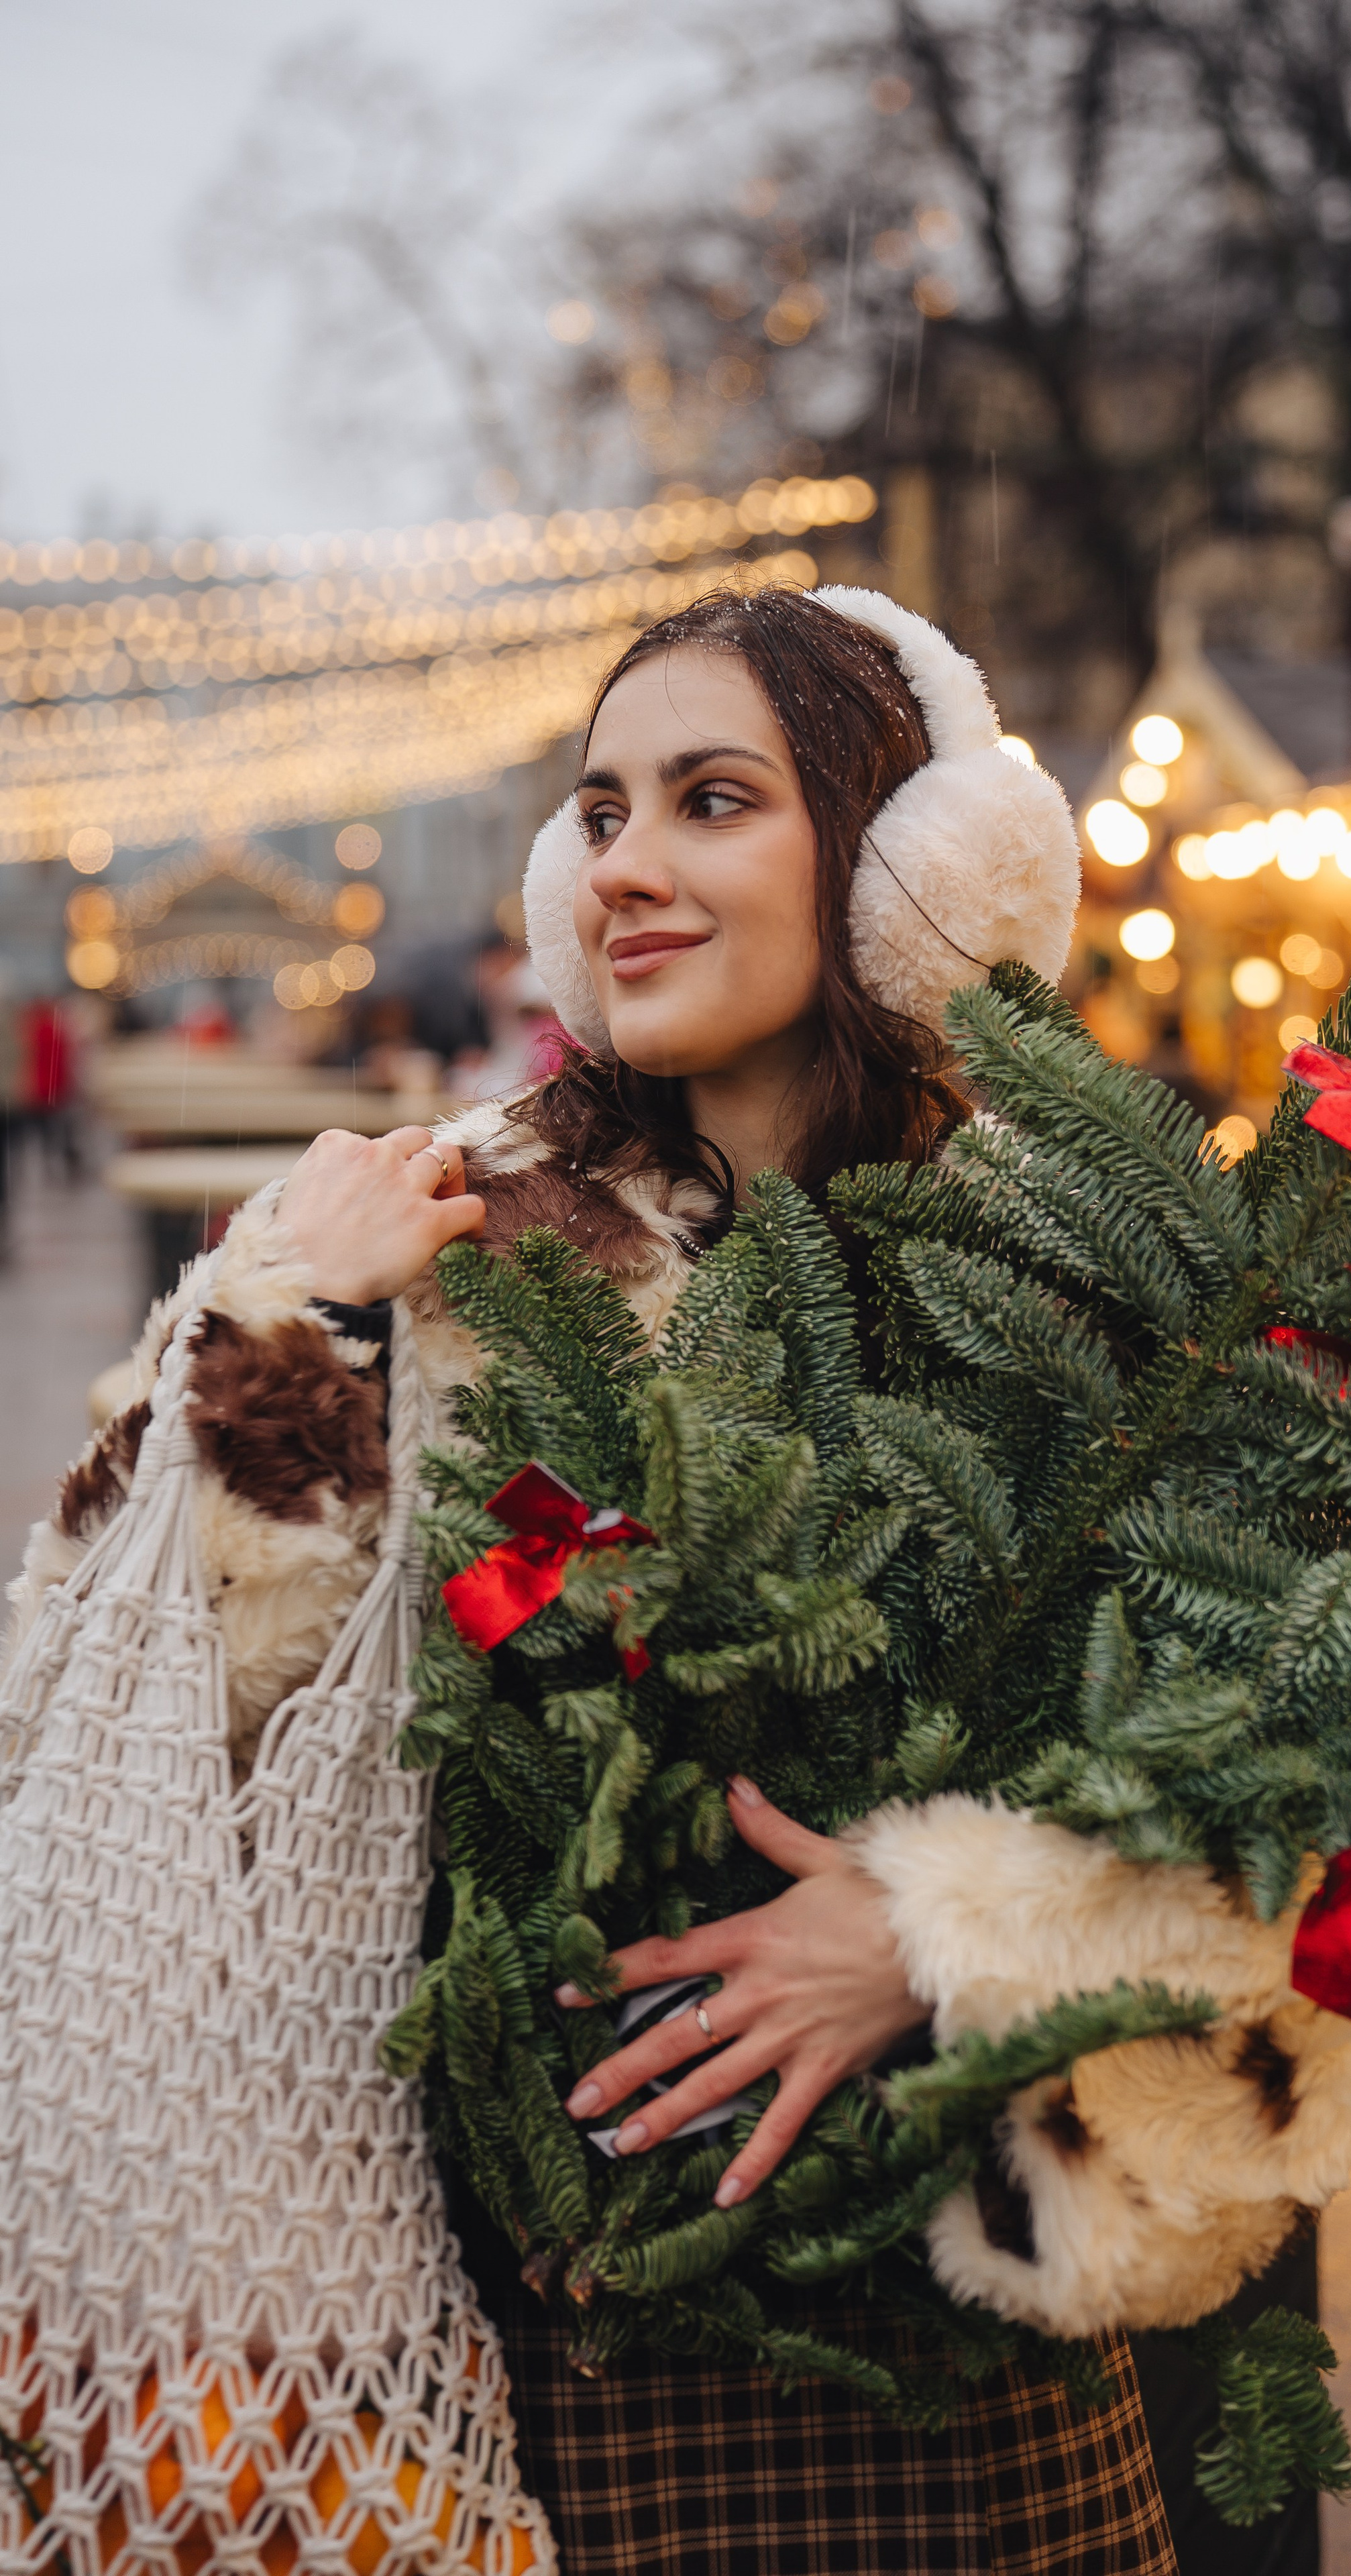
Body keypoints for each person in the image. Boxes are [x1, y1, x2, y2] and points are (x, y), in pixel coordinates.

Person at [11, 586, 1179, 2574]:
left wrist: (951, 1932)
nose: (626, 866)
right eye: (600, 812)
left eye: (711, 801)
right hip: (519, 2354)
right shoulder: (428, 1227)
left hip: (973, 2361)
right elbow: (108, 1694)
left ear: (910, 859)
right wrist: (301, 1329)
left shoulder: (1102, 1272)